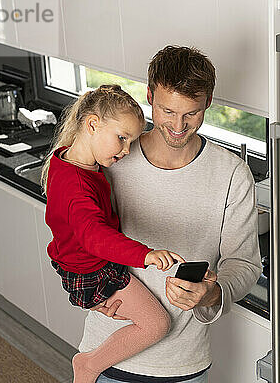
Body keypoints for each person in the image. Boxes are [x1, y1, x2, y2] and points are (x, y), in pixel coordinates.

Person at [78, 46, 262, 382]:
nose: (178, 125)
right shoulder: (115, 159)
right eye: (167, 111)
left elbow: (244, 263)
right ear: (149, 96)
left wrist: (213, 293)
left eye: (191, 113)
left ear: (207, 103)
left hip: (183, 365)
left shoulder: (232, 174)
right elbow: (77, 233)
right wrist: (87, 290)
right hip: (107, 351)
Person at [41, 84, 185, 383]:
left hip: (80, 265)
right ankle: (89, 364)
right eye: (121, 138)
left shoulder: (69, 159)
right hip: (93, 270)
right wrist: (145, 254)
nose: (125, 150)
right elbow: (94, 236)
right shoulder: (77, 186)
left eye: (130, 142)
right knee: (156, 325)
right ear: (92, 124)